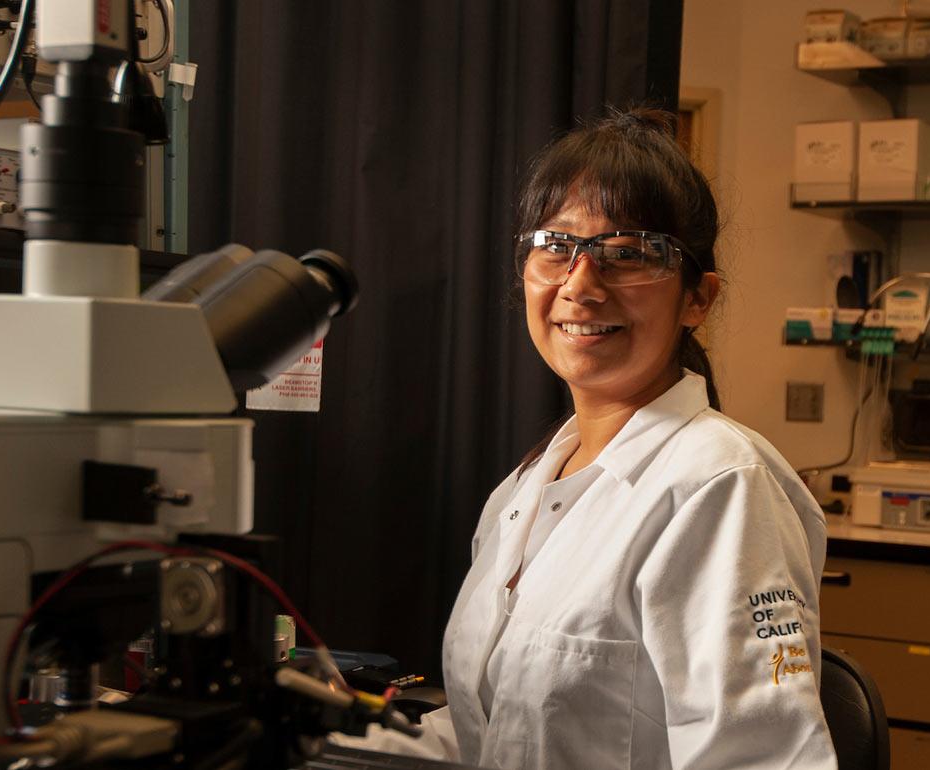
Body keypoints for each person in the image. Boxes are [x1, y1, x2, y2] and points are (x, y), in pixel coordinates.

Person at [345, 109, 836, 768]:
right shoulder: (524, 490)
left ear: (699, 298)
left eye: (627, 254)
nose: (580, 285)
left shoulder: (720, 485)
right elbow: (487, 733)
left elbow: (764, 758)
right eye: (555, 246)